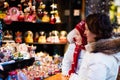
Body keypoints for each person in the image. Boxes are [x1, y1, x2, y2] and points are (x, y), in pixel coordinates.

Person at [69, 13, 120, 80]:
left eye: (87, 29)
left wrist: (73, 78)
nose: (84, 33)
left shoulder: (99, 59)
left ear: (96, 32)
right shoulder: (100, 51)